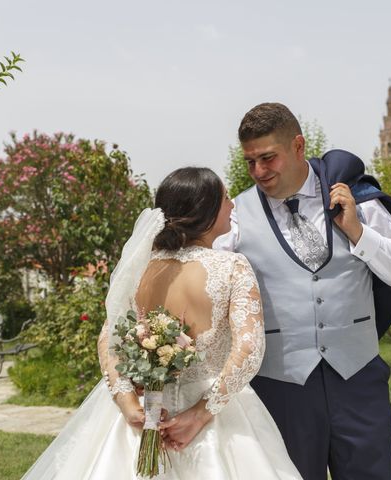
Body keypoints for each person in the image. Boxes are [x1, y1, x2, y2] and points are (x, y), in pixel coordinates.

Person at [21, 167, 302, 479]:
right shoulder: (233, 267)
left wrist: (128, 403)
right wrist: (200, 414)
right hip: (214, 414)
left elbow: (108, 339)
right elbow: (249, 348)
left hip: (144, 412)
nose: (232, 204)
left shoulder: (140, 268)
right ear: (205, 211)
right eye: (224, 198)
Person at [207, 103, 391, 480]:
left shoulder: (357, 199)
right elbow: (208, 292)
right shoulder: (236, 216)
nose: (259, 171)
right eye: (250, 162)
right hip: (280, 388)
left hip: (359, 381)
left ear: (297, 146)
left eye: (267, 158)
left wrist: (358, 232)